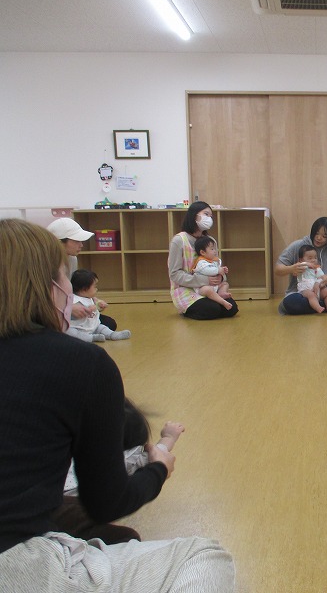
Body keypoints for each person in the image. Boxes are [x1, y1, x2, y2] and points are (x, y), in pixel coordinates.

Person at [0, 218, 235, 591]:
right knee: (204, 556)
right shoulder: (80, 362)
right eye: (64, 276)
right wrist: (157, 470)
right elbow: (107, 502)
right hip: (17, 564)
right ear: (50, 286)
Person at [54, 399, 185, 544]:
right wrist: (168, 437)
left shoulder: (65, 443)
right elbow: (159, 454)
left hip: (47, 499)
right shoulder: (126, 458)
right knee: (128, 537)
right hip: (71, 511)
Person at [168, 201, 238, 320]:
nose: (209, 219)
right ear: (194, 215)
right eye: (206, 214)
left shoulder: (210, 240)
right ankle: (186, 309)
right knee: (212, 309)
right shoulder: (179, 240)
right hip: (187, 289)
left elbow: (216, 264)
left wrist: (220, 277)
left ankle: (211, 303)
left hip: (211, 288)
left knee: (232, 309)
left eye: (211, 216)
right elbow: (174, 274)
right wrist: (203, 280)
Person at [46, 216, 118, 331]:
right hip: (49, 311)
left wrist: (92, 300)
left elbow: (73, 289)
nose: (81, 245)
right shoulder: (44, 264)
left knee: (108, 323)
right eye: (76, 241)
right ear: (59, 243)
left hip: (65, 307)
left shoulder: (72, 259)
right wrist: (68, 308)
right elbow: (41, 298)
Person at [67, 268, 131, 342]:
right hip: (79, 328)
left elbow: (95, 307)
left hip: (92, 325)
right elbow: (73, 314)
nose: (96, 289)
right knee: (71, 332)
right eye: (95, 287)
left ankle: (112, 334)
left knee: (101, 327)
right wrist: (92, 308)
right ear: (84, 289)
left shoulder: (89, 298)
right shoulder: (74, 300)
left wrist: (99, 305)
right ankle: (92, 338)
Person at [191, 236, 233, 311]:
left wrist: (223, 270)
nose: (215, 251)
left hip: (214, 286)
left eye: (215, 249)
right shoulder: (201, 262)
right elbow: (207, 270)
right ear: (202, 252)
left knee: (225, 284)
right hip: (203, 287)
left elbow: (220, 273)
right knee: (208, 290)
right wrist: (218, 270)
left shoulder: (213, 261)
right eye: (212, 249)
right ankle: (222, 302)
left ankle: (221, 293)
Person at [296, 244, 327, 314]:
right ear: (301, 260)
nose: (313, 260)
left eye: (315, 258)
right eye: (310, 258)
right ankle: (318, 307)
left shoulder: (317, 269)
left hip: (317, 289)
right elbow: (298, 266)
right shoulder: (301, 268)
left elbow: (321, 277)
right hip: (305, 290)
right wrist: (307, 264)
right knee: (311, 295)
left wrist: (317, 283)